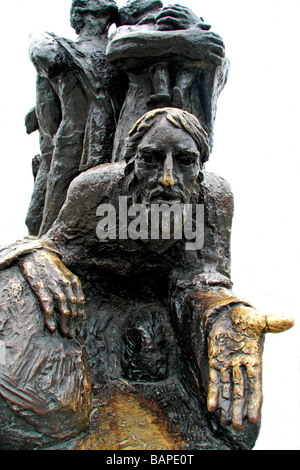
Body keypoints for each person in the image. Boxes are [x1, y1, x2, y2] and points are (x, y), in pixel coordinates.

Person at [0, 109, 292, 449]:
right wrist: (39, 258)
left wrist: (228, 316)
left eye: (184, 160)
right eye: (151, 159)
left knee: (234, 428)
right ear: (131, 163)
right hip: (84, 308)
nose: (168, 177)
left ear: (200, 169)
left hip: (156, 314)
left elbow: (204, 281)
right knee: (42, 411)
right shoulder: (95, 190)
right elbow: (49, 246)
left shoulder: (213, 199)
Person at [27, 0, 126, 236]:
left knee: (50, 223)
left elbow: (48, 117)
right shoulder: (123, 51)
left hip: (70, 144)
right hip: (113, 147)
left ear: (77, 17)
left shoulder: (56, 48)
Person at [107, 1, 229, 161]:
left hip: (183, 120)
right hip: (141, 113)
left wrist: (193, 31)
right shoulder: (129, 31)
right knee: (131, 165)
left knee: (182, 168)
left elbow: (216, 53)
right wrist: (187, 40)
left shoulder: (190, 27)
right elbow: (117, 48)